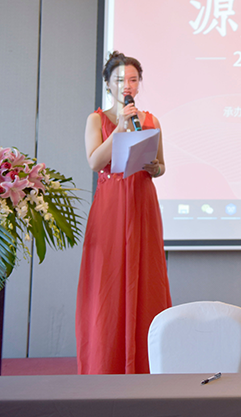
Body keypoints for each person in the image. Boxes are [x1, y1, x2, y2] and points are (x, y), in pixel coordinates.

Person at [75, 51, 171, 374]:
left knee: (146, 278)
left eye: (132, 79)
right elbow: (94, 161)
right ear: (108, 84)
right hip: (111, 206)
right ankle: (105, 363)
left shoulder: (151, 121)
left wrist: (154, 166)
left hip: (143, 202)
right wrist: (119, 129)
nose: (126, 85)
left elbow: (160, 166)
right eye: (120, 80)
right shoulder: (96, 120)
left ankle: (144, 365)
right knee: (108, 279)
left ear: (139, 84)